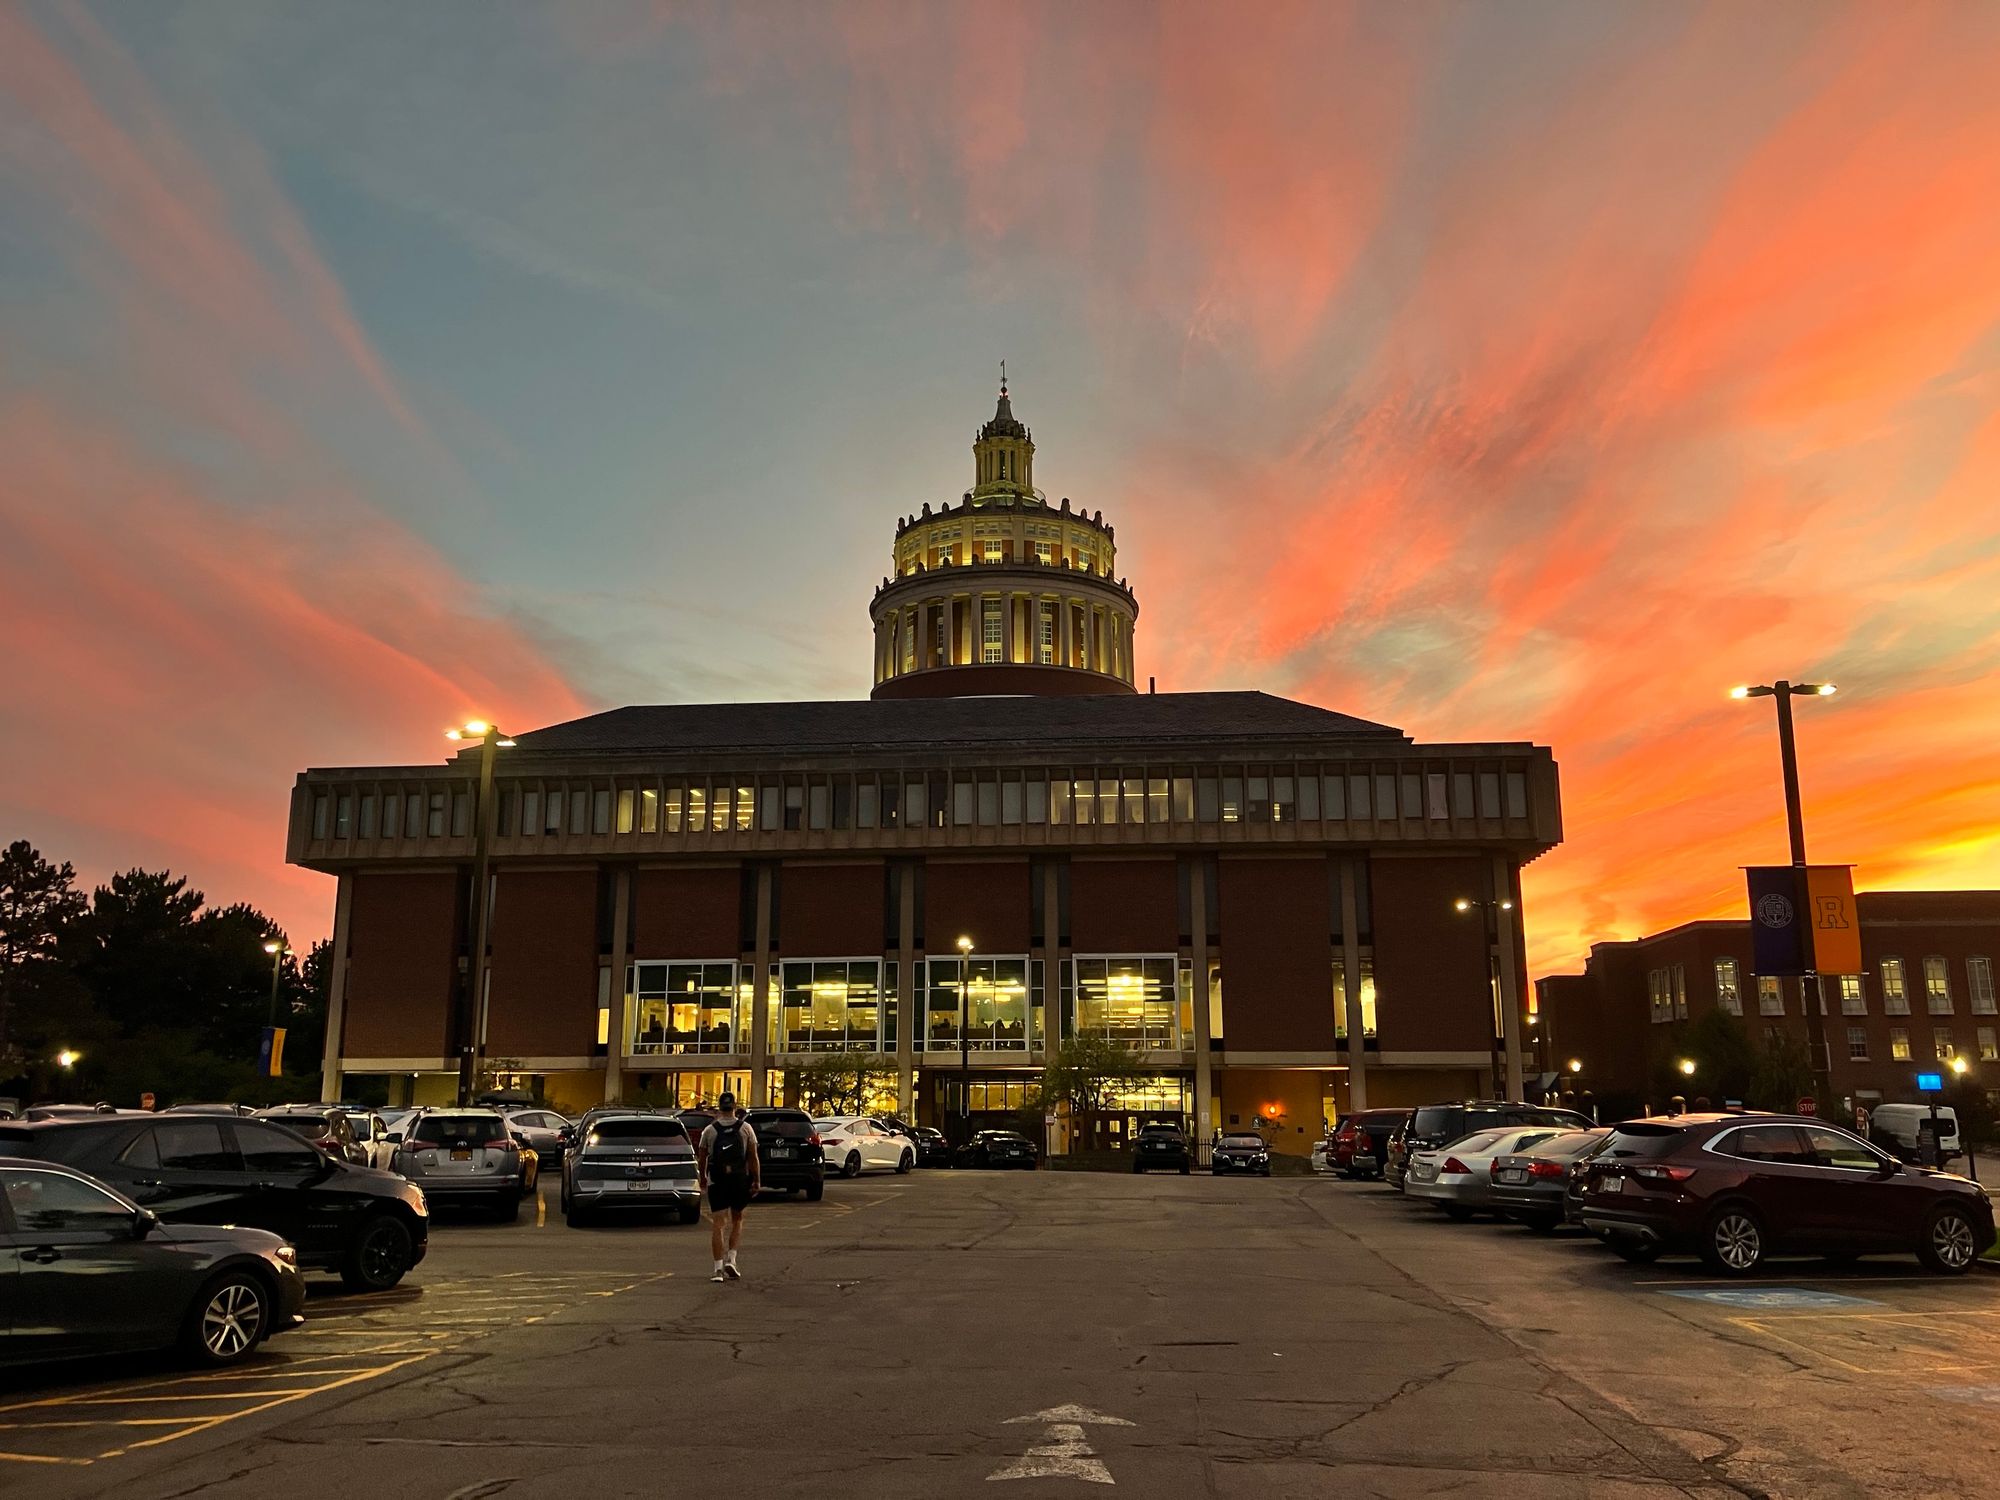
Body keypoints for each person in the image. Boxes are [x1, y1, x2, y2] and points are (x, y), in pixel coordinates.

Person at [695, 1092, 759, 1283]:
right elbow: (752, 1157)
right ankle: (731, 1258)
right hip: (739, 1179)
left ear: (719, 1108)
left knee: (718, 1223)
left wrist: (703, 1179)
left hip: (718, 1180)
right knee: (737, 1219)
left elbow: (702, 1157)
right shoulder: (746, 1128)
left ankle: (717, 1269)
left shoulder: (710, 1130)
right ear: (734, 1107)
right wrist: (756, 1179)